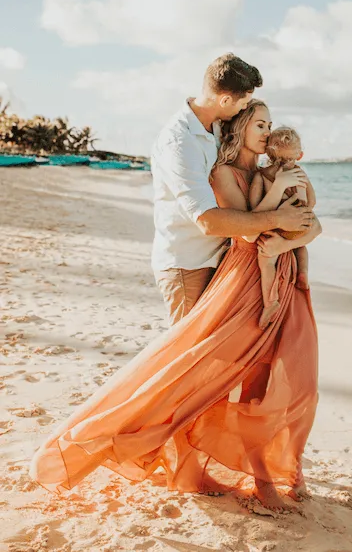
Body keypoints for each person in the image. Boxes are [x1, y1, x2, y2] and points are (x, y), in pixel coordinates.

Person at [29, 100, 321, 514]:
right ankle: (199, 466)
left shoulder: (266, 172)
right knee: (194, 373)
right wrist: (281, 227)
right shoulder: (223, 173)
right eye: (260, 124)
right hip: (240, 275)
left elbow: (310, 222)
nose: (268, 132)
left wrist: (290, 238)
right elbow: (245, 229)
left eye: (270, 125)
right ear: (238, 128)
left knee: (288, 376)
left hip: (277, 277)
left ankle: (280, 469)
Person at [150, 53, 314, 327]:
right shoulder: (179, 142)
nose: (244, 109)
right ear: (225, 100)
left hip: (223, 258)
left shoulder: (219, 126)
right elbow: (206, 220)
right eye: (244, 103)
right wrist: (277, 219)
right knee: (188, 352)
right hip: (188, 263)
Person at [248, 126, 315, 330]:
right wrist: (303, 211)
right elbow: (312, 201)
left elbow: (255, 210)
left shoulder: (262, 176)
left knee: (267, 263)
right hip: (303, 222)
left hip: (278, 225)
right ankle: (302, 274)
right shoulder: (301, 172)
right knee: (300, 247)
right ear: (300, 155)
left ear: (267, 153)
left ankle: (271, 301)